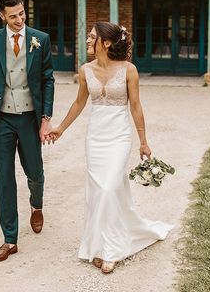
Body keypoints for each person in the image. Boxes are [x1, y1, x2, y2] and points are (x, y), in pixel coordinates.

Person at [49, 22, 172, 274]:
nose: (86, 41)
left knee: (108, 187)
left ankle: (113, 249)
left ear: (105, 42)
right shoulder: (85, 70)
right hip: (95, 137)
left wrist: (143, 141)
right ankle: (97, 245)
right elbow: (79, 103)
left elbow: (135, 107)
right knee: (98, 191)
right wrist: (60, 128)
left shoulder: (129, 70)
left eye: (91, 37)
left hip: (119, 136)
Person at [0, 0, 55, 263]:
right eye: (13, 16)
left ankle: (37, 205)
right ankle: (10, 240)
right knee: (5, 180)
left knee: (34, 172)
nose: (19, 19)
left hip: (30, 117)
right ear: (2, 16)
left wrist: (46, 117)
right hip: (2, 120)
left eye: (22, 13)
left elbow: (48, 80)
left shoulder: (40, 39)